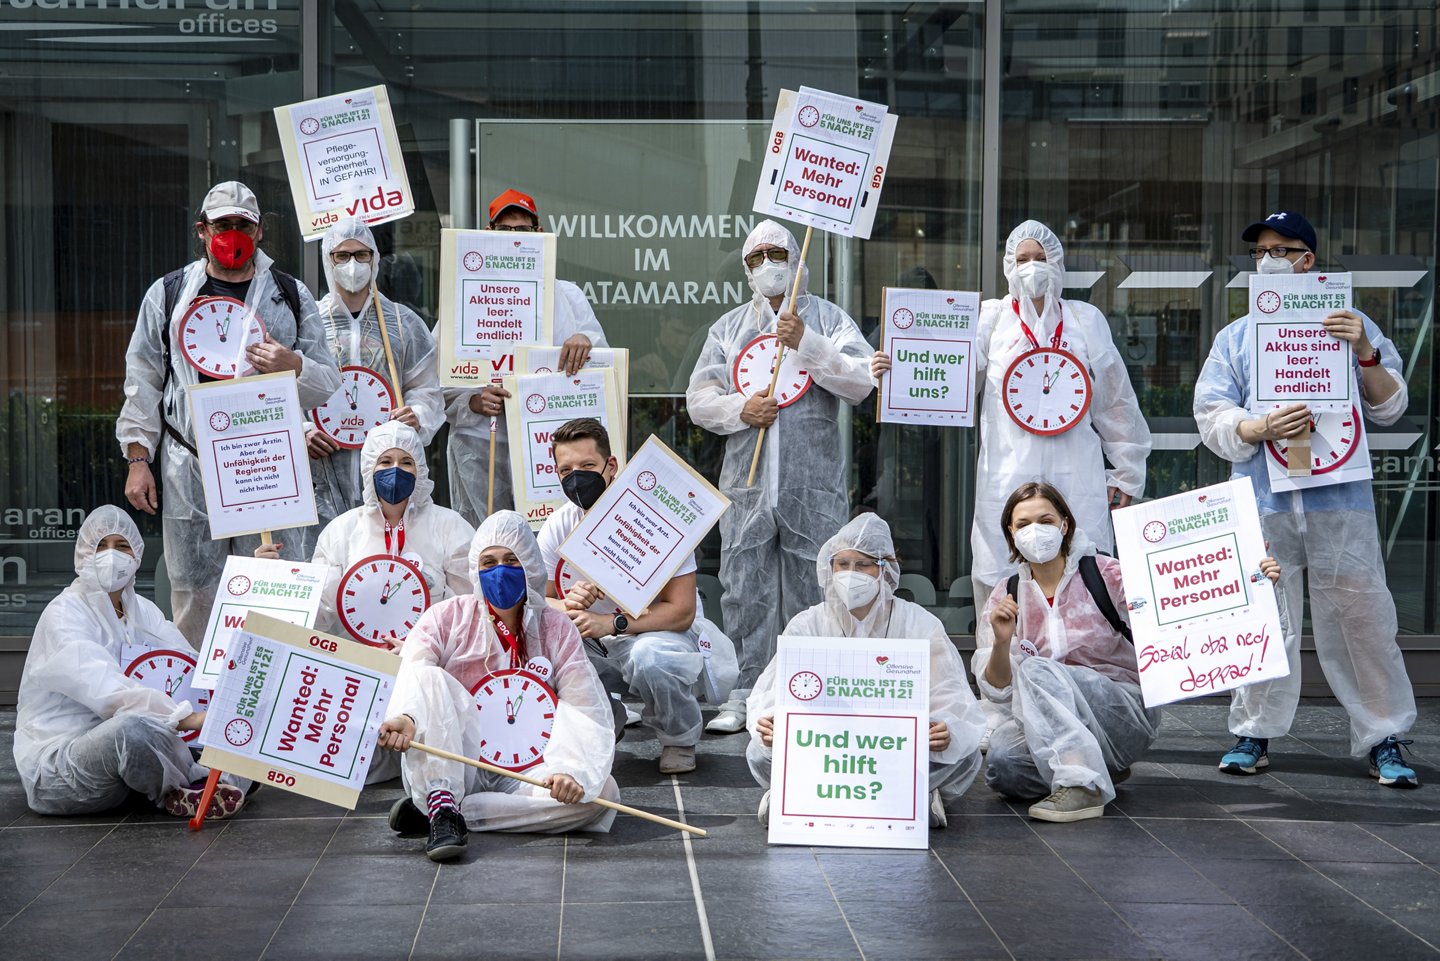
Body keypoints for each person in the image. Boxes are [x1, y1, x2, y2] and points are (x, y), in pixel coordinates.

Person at [1193, 210, 1419, 787]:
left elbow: (1390, 407)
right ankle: (1253, 732)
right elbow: (1213, 413)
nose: (1268, 259)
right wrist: (1256, 427)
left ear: (1307, 260)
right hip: (1266, 499)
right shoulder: (1238, 337)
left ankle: (1384, 735)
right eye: (1261, 250)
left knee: (1362, 616)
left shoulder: (1351, 324)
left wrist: (1364, 349)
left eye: (1281, 248)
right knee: (1265, 614)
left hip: (1337, 499)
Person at [117, 181, 341, 644]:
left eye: (243, 225)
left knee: (277, 581)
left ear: (259, 232)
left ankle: (269, 692)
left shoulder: (289, 293)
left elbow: (328, 381)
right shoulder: (170, 295)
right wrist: (139, 460)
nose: (232, 234)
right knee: (196, 589)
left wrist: (293, 364)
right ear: (202, 230)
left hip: (267, 462)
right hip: (191, 461)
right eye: (222, 225)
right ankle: (203, 701)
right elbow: (143, 381)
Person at [687, 220, 875, 734]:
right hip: (746, 484)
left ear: (797, 258)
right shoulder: (727, 330)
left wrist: (808, 342)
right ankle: (745, 693)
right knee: (743, 586)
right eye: (757, 257)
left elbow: (860, 383)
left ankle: (807, 688)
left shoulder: (830, 320)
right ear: (747, 270)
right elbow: (698, 399)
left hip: (811, 484)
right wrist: (739, 410)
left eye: (777, 252)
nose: (768, 263)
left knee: (813, 587)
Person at [376, 511, 621, 861]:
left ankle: (448, 812)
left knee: (601, 793)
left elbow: (583, 703)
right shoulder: (446, 617)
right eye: (488, 562)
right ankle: (442, 800)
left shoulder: (556, 626)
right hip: (459, 760)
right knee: (428, 674)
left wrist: (570, 769)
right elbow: (413, 672)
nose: (500, 571)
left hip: (529, 768)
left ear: (531, 565)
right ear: (475, 568)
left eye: (511, 560)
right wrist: (406, 718)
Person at [745, 514, 985, 827]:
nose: (850, 573)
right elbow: (774, 690)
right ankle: (906, 800)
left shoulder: (920, 624)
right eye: (842, 564)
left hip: (895, 751)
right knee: (758, 752)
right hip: (830, 752)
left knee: (966, 755)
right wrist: (772, 721)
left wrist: (945, 728)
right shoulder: (807, 625)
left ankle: (803, 797)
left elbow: (949, 692)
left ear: (886, 568)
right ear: (828, 567)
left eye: (864, 565)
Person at [14, 507, 246, 820]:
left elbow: (188, 664)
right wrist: (187, 717)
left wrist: (255, 589)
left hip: (129, 768)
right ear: (83, 554)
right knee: (131, 728)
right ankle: (189, 787)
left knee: (237, 724)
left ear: (136, 554)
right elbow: (107, 691)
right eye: (101, 546)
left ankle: (207, 783)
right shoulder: (64, 614)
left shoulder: (142, 611)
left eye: (122, 546)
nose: (112, 556)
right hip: (65, 769)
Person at [539, 418, 735, 774]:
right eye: (566, 470)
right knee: (544, 647)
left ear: (611, 466)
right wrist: (568, 603)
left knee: (652, 656)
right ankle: (603, 722)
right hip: (594, 642)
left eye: (587, 466)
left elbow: (682, 612)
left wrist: (609, 622)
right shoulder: (559, 525)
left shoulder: (655, 521)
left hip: (651, 634)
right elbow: (539, 599)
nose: (576, 477)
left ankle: (679, 737)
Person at [444, 188, 609, 526]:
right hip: (481, 442)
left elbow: (603, 369)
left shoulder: (568, 296)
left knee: (552, 536)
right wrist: (472, 401)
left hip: (548, 443)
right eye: (505, 230)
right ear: (489, 234)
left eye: (522, 231)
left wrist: (584, 341)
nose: (513, 238)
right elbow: (437, 378)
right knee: (490, 540)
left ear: (538, 234)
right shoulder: (464, 297)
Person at [294, 218, 445, 559]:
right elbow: (283, 393)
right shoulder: (309, 324)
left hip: (389, 470)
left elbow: (426, 389)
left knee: (386, 560)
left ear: (375, 259)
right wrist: (301, 430)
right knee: (325, 562)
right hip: (322, 469)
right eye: (341, 255)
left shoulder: (404, 324)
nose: (352, 264)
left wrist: (417, 414)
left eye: (361, 255)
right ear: (326, 260)